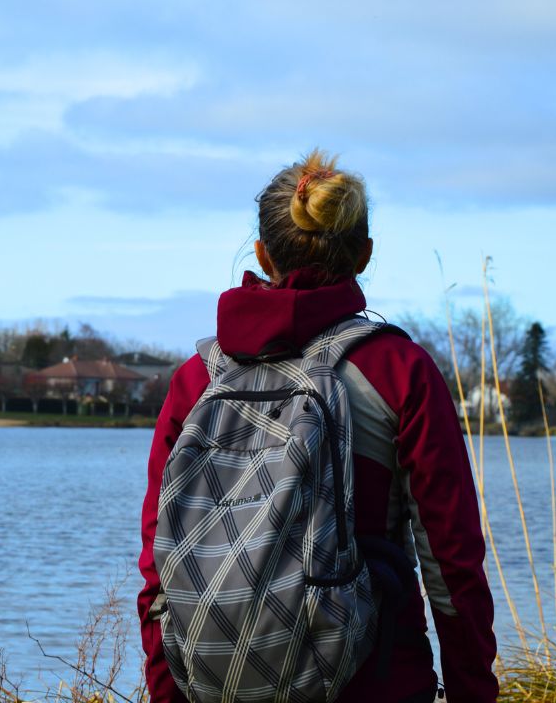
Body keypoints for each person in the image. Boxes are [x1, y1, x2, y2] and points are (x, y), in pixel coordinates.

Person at [137, 151, 498, 703]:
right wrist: (473, 690)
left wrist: (168, 695)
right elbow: (452, 568)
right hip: (374, 682)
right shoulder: (399, 372)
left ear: (261, 252)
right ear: (365, 254)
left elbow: (159, 572)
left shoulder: (196, 380)